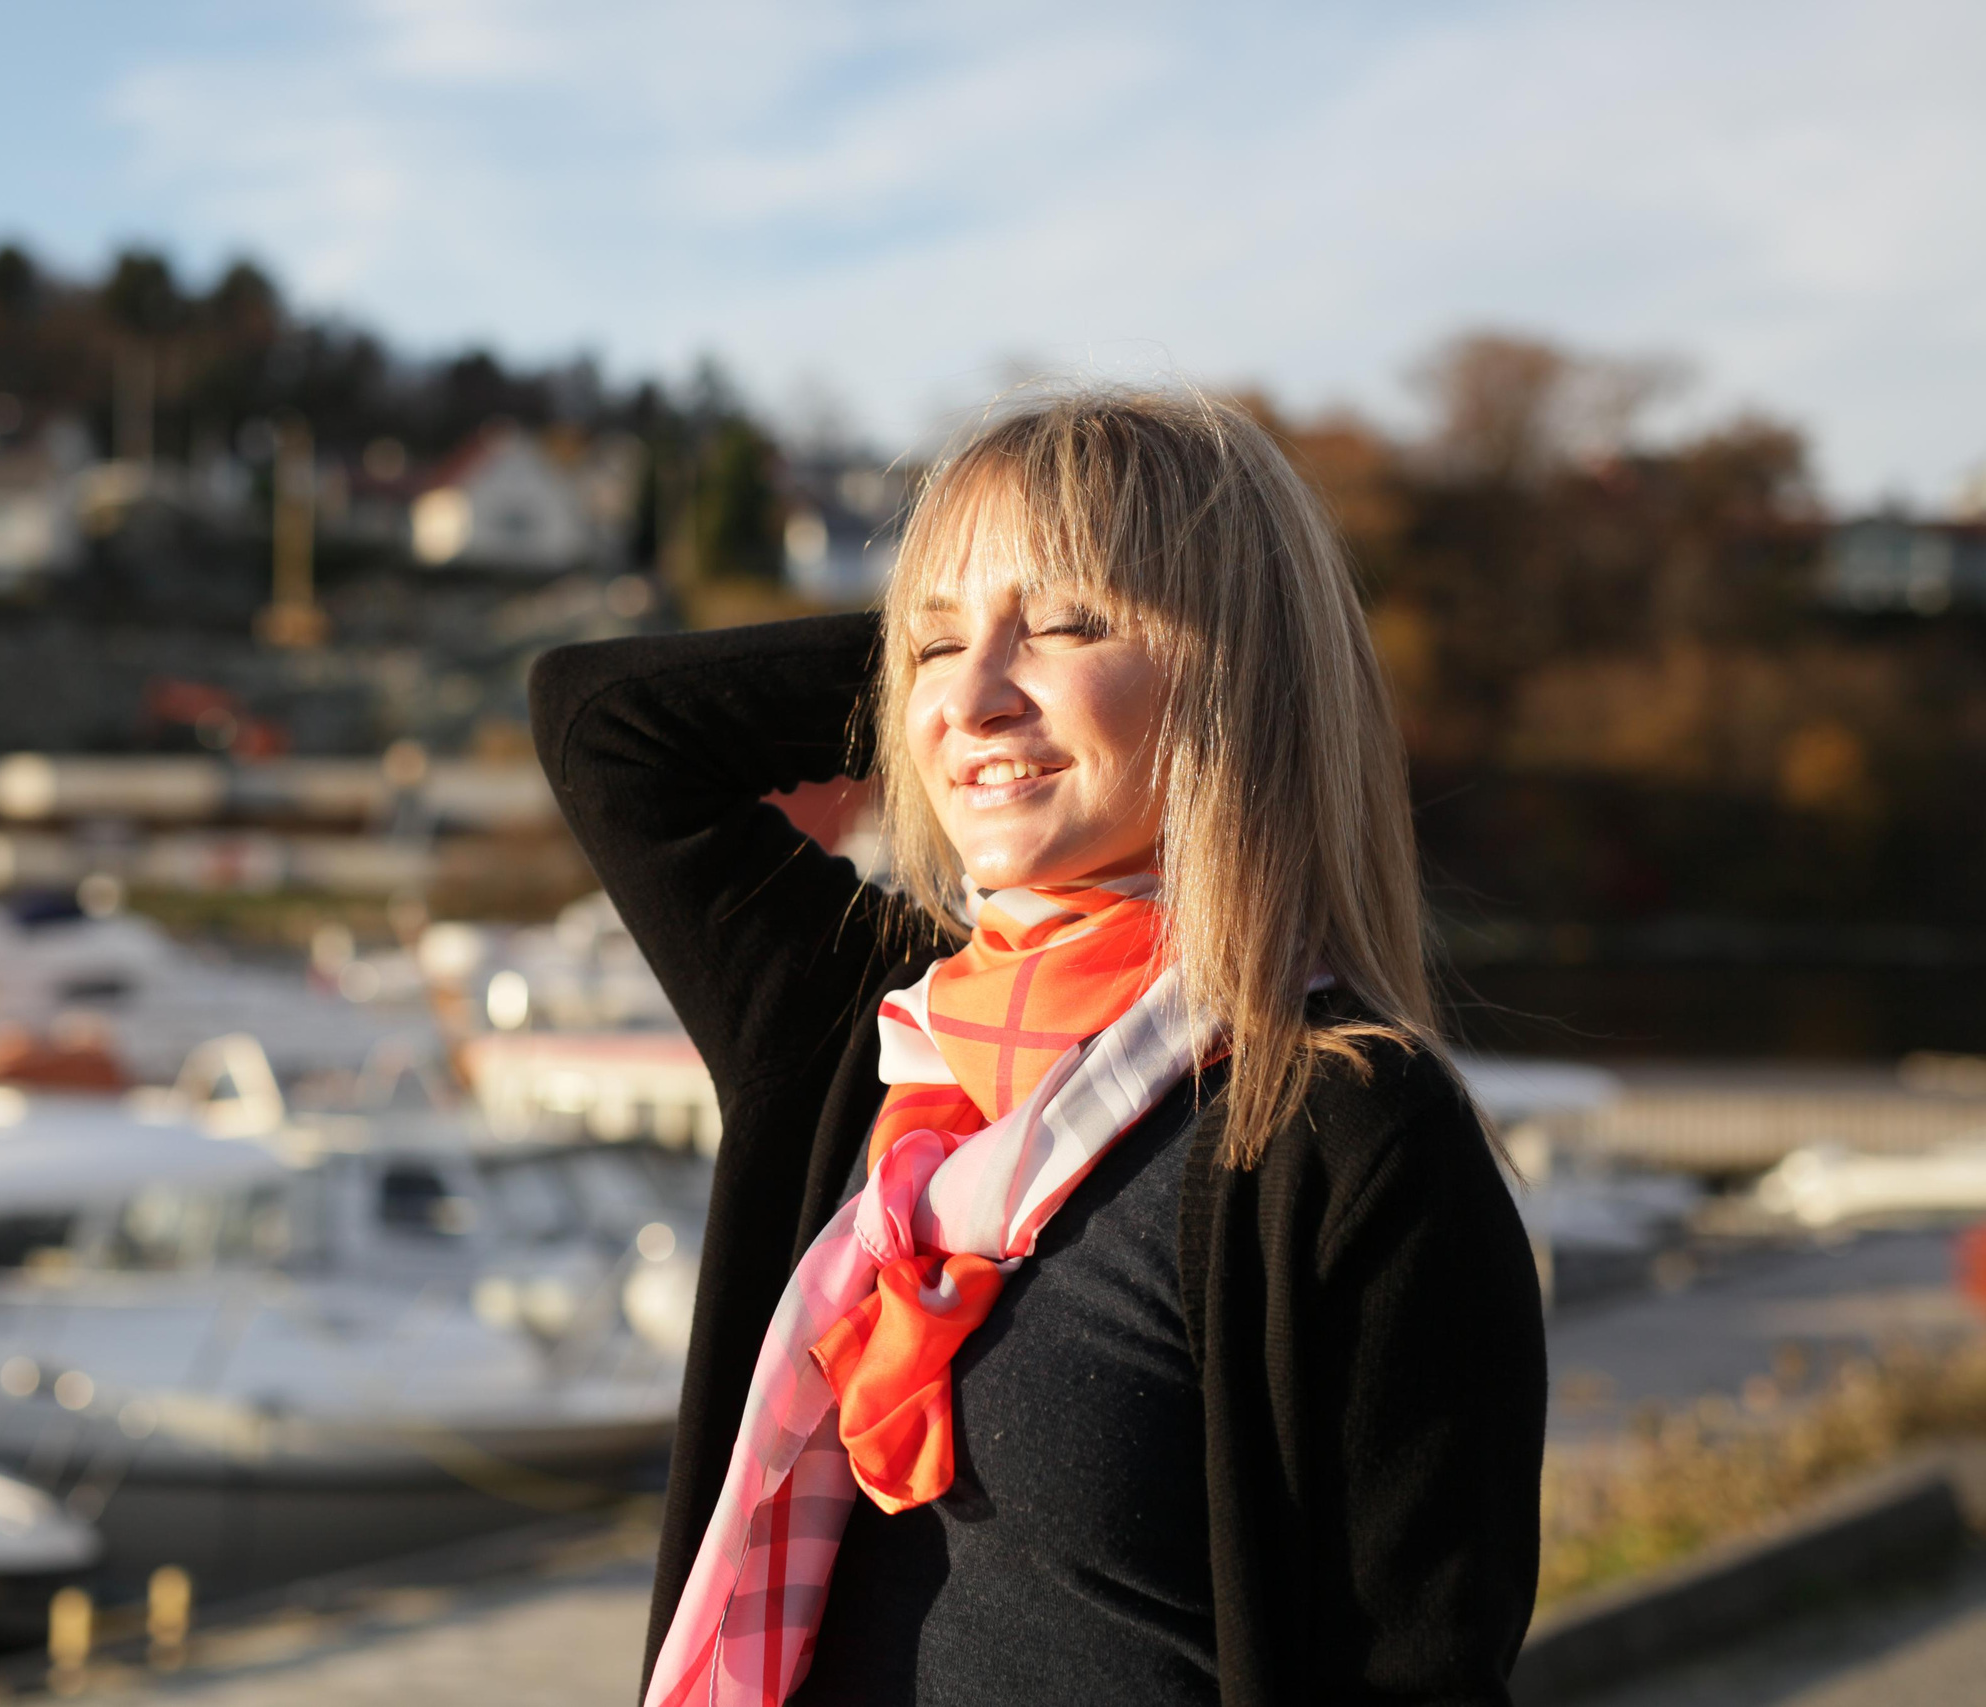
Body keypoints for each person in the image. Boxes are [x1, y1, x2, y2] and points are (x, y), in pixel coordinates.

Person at [530, 389, 1546, 1707]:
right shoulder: (874, 1032)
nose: (974, 698)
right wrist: (964, 666)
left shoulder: (1346, 1128)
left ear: (1244, 672)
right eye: (933, 645)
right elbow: (606, 724)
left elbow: (1413, 1676)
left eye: (1070, 623)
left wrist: (1241, 633)